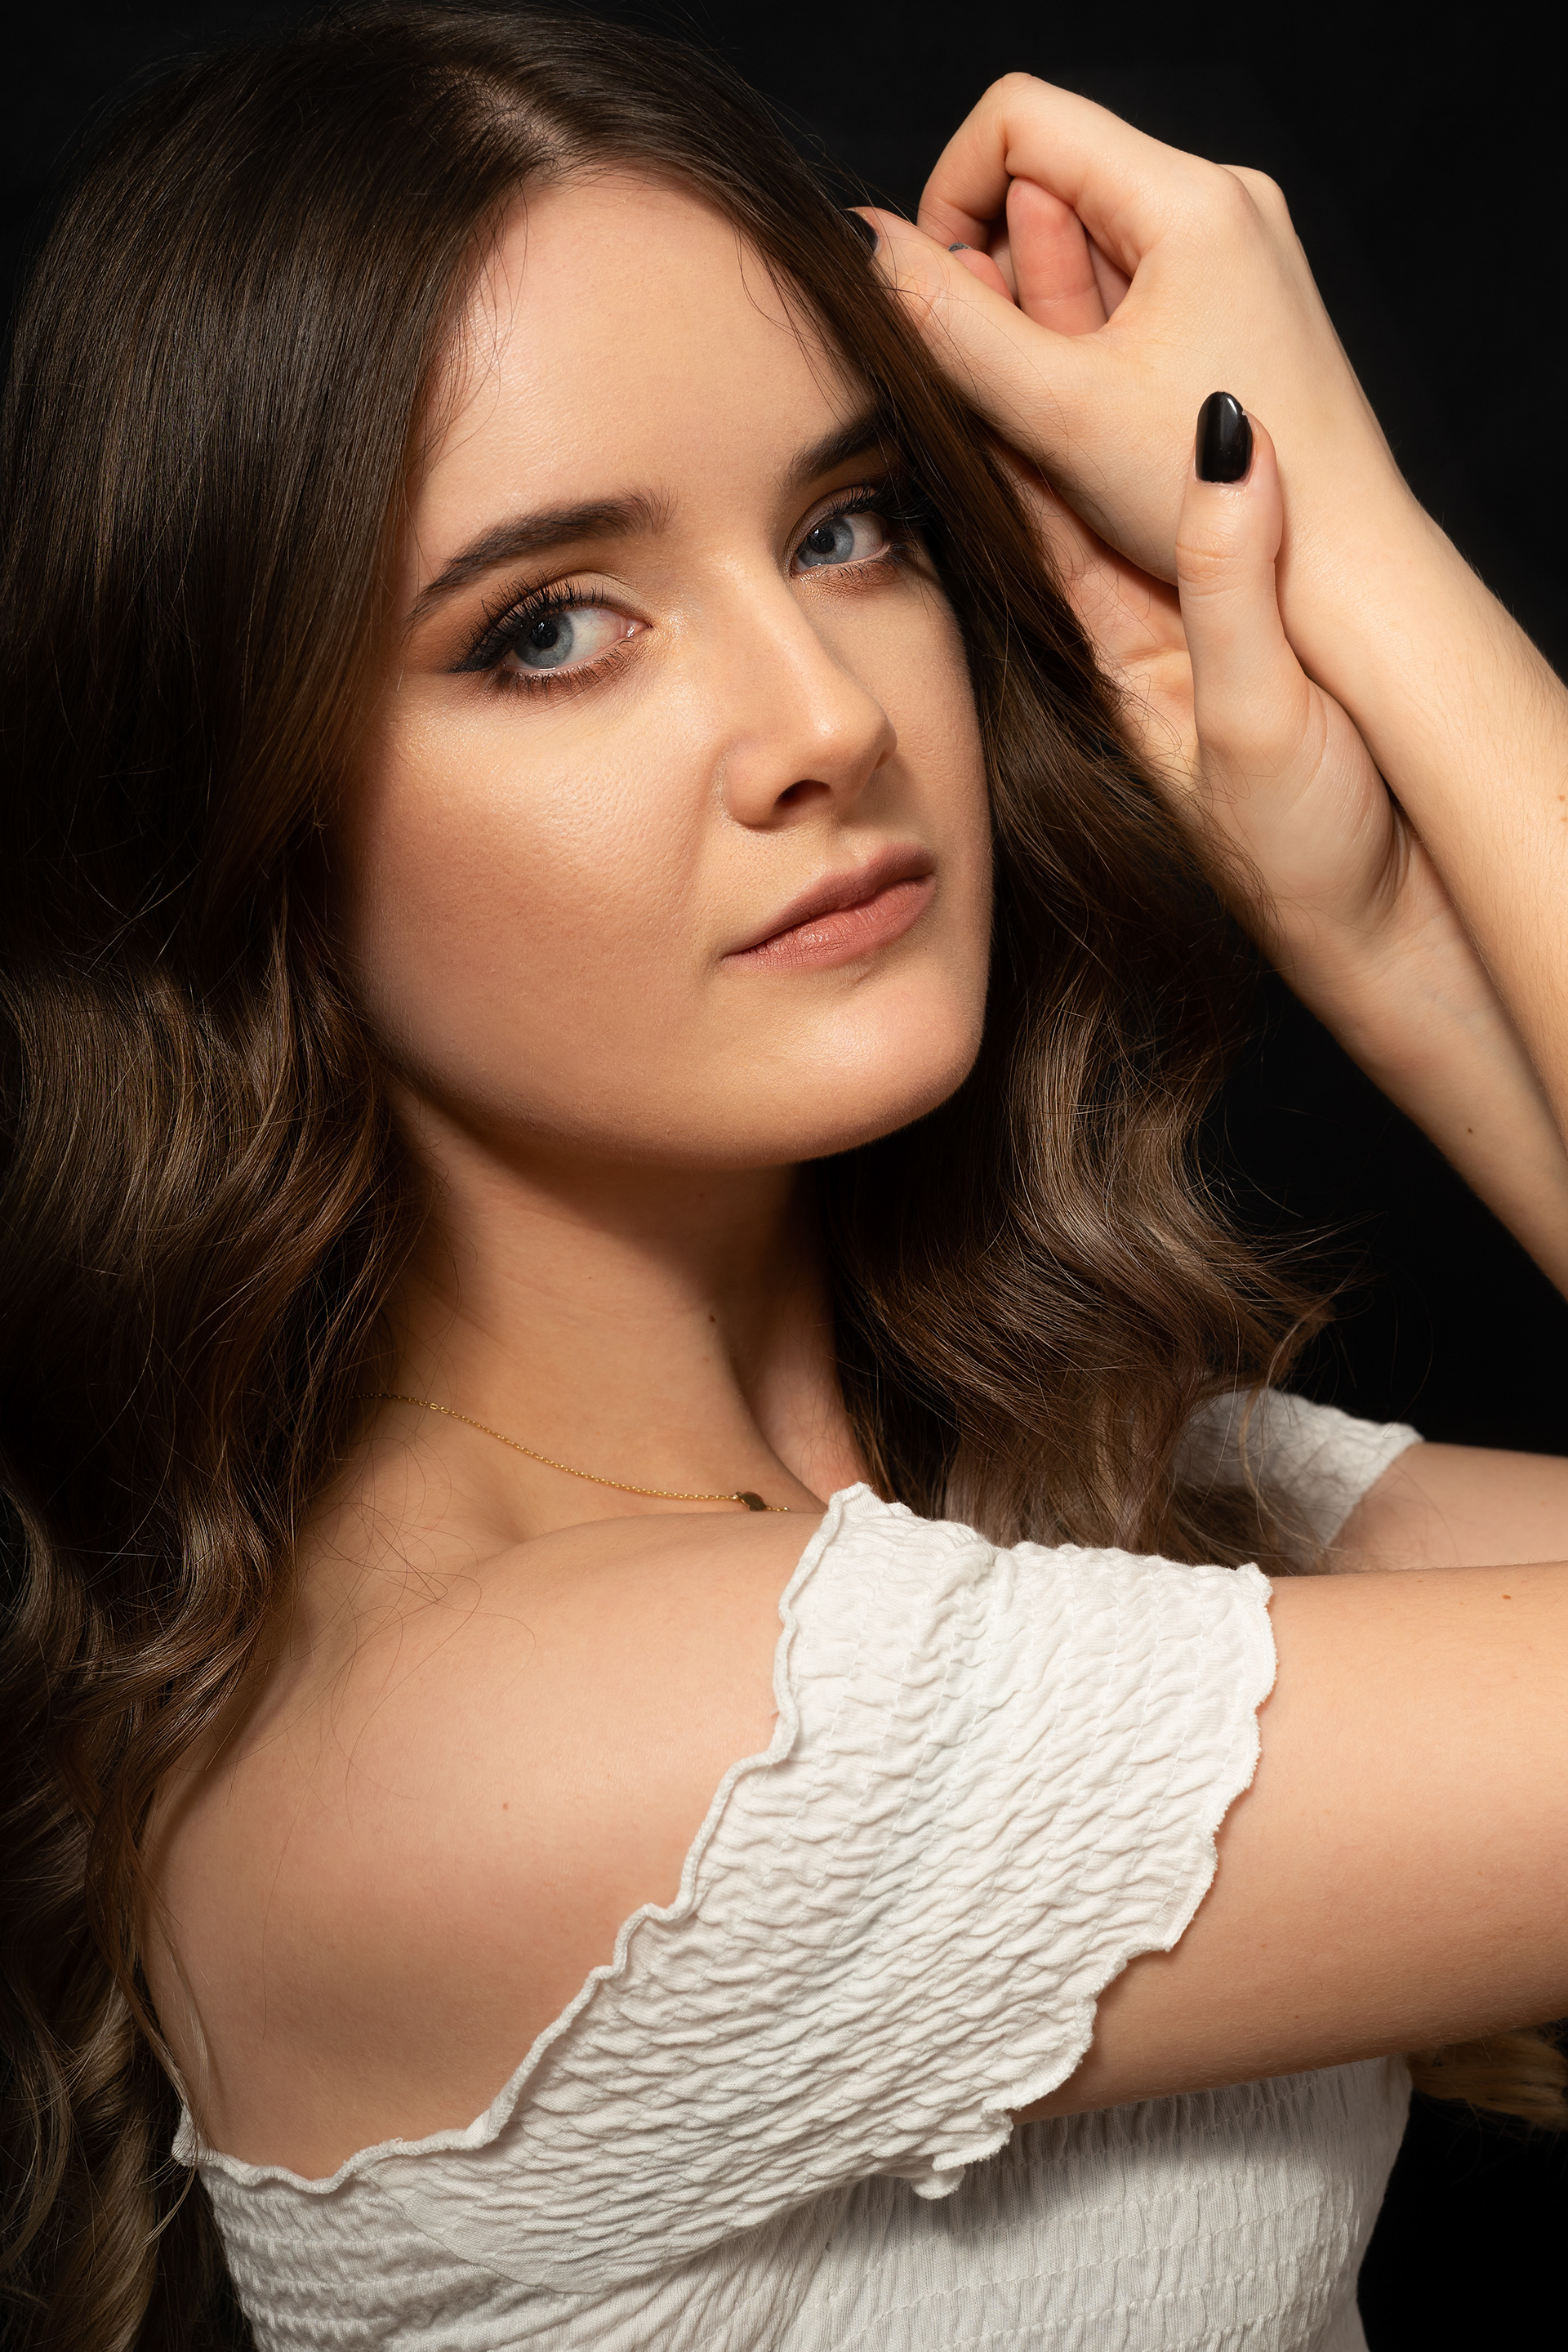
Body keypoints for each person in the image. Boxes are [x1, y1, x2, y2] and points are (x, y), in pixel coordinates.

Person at [2, 9, 1567, 2349]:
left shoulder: (1054, 1497)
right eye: (550, 630)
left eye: (848, 529)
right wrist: (1348, 539)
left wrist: (1386, 926)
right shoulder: (532, 1755)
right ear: (249, 822)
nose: (827, 719)